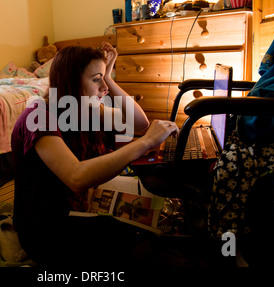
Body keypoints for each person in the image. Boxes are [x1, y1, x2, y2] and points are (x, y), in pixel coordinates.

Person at [11, 42, 179, 267]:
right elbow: (76, 177)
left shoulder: (86, 107)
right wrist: (146, 142)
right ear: (71, 81)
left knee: (149, 230)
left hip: (75, 209)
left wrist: (107, 76)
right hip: (45, 228)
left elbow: (139, 123)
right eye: (95, 79)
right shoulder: (38, 116)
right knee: (135, 244)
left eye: (103, 78)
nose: (105, 88)